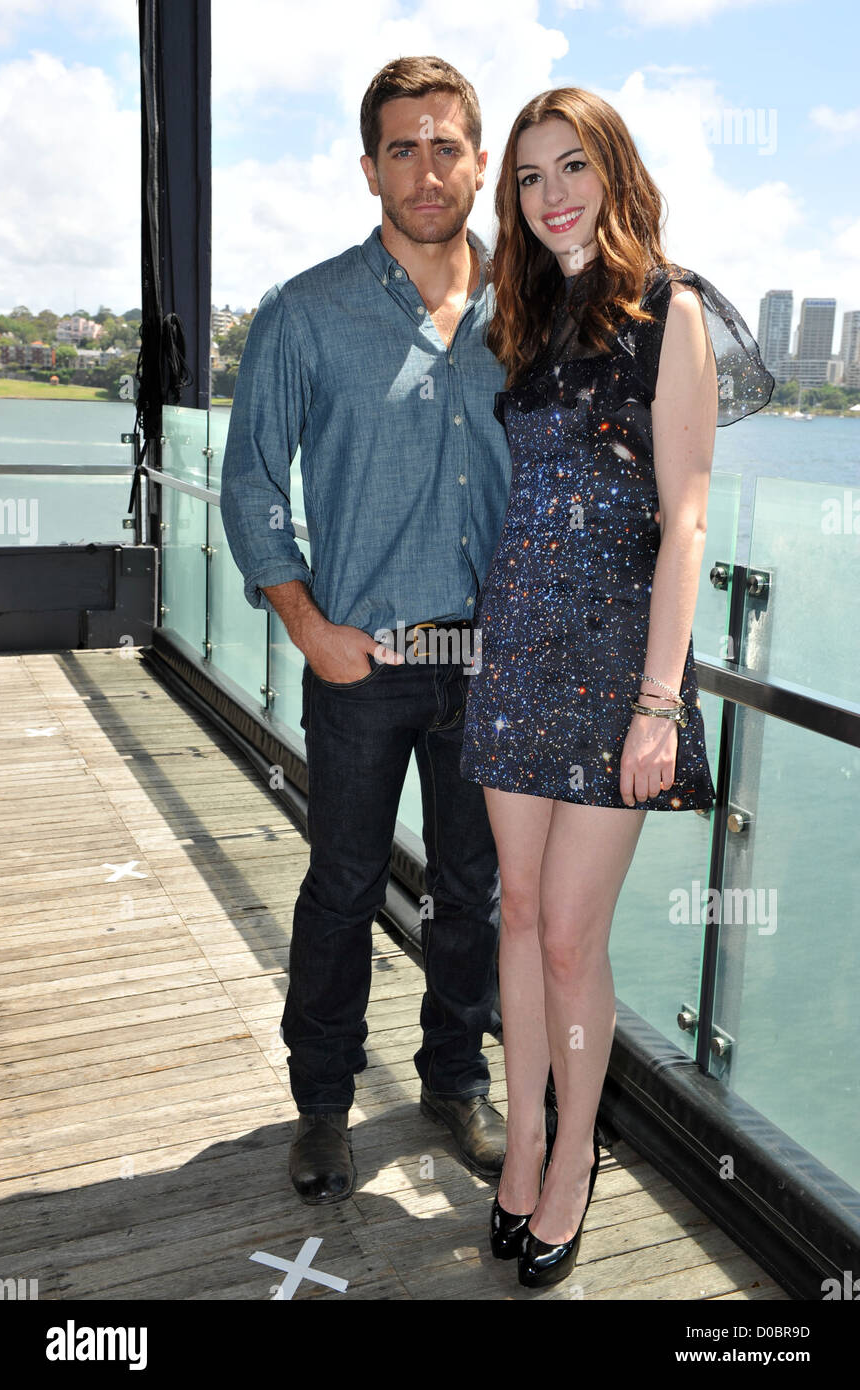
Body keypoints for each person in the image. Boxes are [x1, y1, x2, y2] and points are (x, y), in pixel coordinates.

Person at [459, 87, 774, 1288]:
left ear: (615, 170)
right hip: (516, 650)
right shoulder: (527, 316)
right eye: (530, 177)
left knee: (574, 931)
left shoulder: (670, 310)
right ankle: (523, 1133)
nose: (552, 195)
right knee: (522, 918)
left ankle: (579, 1147)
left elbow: (685, 515)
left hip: (612, 673)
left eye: (571, 166)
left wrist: (660, 701)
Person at [220, 56, 514, 1204]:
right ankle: (325, 1106)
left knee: (472, 892)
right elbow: (251, 485)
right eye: (403, 147)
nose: (426, 168)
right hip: (363, 663)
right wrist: (308, 623)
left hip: (492, 664)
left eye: (446, 145)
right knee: (341, 886)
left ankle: (455, 1079)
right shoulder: (308, 311)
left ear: (479, 161)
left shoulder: (528, 310)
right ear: (369, 167)